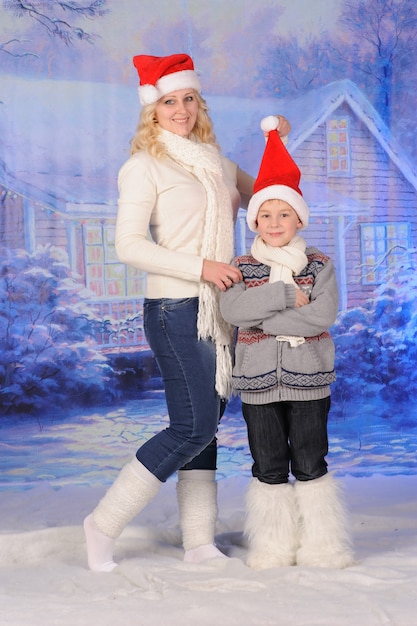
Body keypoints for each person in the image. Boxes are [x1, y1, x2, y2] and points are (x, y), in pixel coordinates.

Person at [83, 54, 291, 572]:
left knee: (207, 425)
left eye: (188, 99)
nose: (180, 110)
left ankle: (199, 543)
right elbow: (128, 245)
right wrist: (202, 266)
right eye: (168, 101)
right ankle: (102, 524)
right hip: (176, 308)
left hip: (221, 309)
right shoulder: (143, 166)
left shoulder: (217, 163)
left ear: (200, 103)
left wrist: (278, 138)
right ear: (152, 111)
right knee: (193, 426)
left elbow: (268, 193)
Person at [220, 115, 355, 571]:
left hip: (309, 379)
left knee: (311, 459)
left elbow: (322, 315)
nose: (274, 222)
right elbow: (233, 312)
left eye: (284, 214)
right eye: (265, 214)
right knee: (268, 463)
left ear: (299, 217)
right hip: (258, 381)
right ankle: (274, 545)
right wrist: (280, 296)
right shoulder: (241, 265)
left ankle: (323, 544)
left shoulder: (318, 264)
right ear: (254, 219)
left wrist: (265, 317)